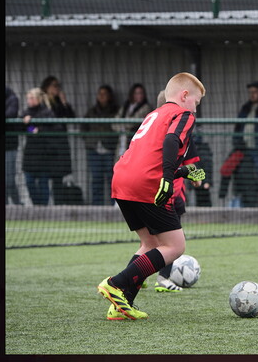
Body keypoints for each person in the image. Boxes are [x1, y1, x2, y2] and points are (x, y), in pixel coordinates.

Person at [97, 72, 207, 320]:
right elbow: (170, 141)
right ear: (184, 95)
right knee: (175, 246)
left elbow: (149, 154)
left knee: (149, 244)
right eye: (196, 102)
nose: (196, 109)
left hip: (122, 178)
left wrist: (181, 172)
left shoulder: (153, 114)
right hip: (147, 183)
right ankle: (116, 284)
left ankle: (121, 304)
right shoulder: (183, 114)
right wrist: (168, 178)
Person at [145, 89, 208, 293]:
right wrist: (196, 180)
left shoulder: (150, 128)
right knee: (174, 243)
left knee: (150, 242)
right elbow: (193, 168)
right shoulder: (181, 131)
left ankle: (136, 276)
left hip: (146, 192)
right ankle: (163, 278)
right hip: (172, 195)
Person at [83, 85, 119, 205]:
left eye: (104, 94)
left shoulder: (115, 111)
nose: (102, 96)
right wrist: (89, 141)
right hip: (94, 149)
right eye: (100, 94)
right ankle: (96, 206)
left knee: (112, 179)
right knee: (96, 179)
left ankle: (113, 205)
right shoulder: (92, 111)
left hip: (109, 149)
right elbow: (83, 128)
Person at [20, 87, 56, 206]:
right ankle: (36, 205)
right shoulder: (26, 113)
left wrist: (38, 130)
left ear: (38, 99)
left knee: (43, 183)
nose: (29, 100)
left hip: (44, 153)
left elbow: (53, 127)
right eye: (28, 98)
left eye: (31, 98)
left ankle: (43, 208)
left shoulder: (47, 112)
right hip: (30, 153)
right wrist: (29, 126)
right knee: (29, 181)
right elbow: (23, 128)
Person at [40, 75, 75, 187]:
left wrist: (64, 102)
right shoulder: (42, 102)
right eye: (55, 86)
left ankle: (58, 203)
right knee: (43, 176)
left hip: (59, 144)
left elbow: (71, 117)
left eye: (58, 86)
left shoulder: (59, 102)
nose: (57, 88)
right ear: (47, 87)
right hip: (45, 144)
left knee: (58, 176)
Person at [115, 83, 152, 148]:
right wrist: (120, 128)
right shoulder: (126, 106)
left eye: (141, 93)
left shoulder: (146, 107)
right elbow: (115, 121)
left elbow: (133, 122)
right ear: (132, 94)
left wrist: (122, 126)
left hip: (134, 138)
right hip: (122, 138)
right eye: (137, 93)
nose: (139, 96)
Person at [5, 86, 21, 205]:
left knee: (9, 180)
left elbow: (10, 115)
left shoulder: (12, 99)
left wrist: (33, 129)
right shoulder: (27, 114)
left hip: (9, 146)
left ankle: (17, 204)